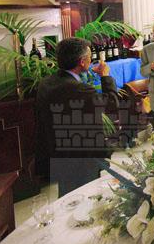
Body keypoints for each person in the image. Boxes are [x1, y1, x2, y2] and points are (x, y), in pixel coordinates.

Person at [35, 37, 119, 195]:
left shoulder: (46, 83)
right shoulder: (78, 89)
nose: (91, 60)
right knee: (85, 196)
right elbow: (111, 104)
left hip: (59, 154)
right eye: (89, 57)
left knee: (68, 196)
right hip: (82, 158)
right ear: (82, 61)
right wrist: (105, 76)